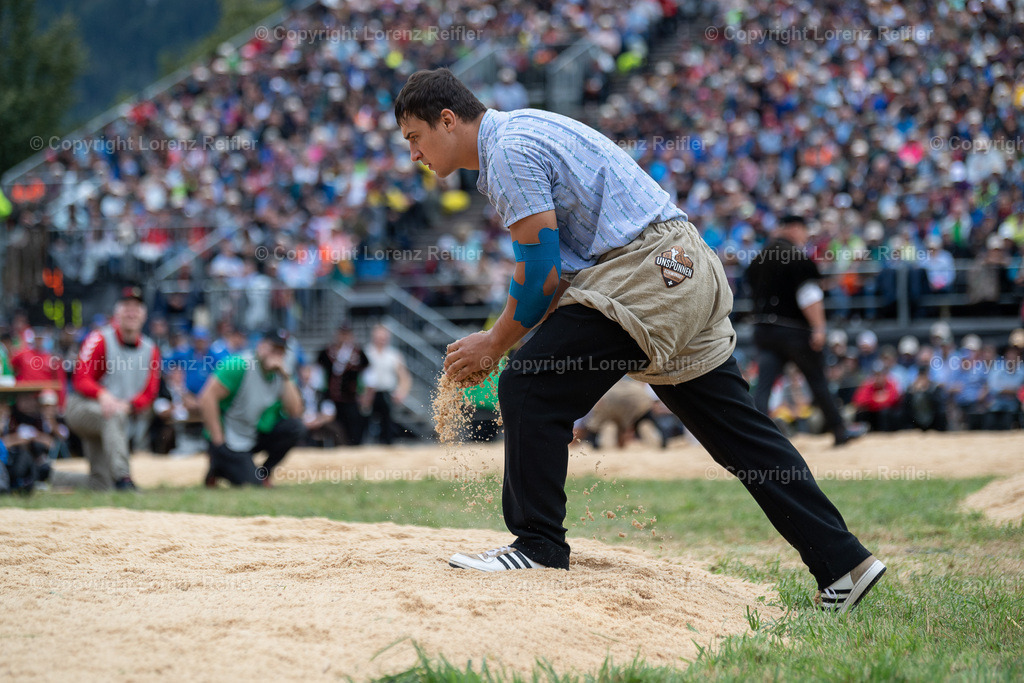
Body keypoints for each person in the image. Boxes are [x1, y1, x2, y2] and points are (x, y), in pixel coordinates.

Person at [395, 68, 884, 613]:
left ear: (447, 119)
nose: (414, 153)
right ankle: (844, 563)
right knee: (739, 435)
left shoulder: (506, 150)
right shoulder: (523, 131)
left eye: (415, 137)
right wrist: (525, 352)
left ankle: (537, 546)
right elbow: (557, 276)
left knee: (529, 385)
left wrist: (494, 344)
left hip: (648, 273)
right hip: (683, 266)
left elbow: (540, 274)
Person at [745, 214, 864, 447]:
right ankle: (839, 430)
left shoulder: (757, 260)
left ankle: (754, 437)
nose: (805, 235)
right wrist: (819, 328)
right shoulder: (798, 258)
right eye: (803, 229)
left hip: (764, 331)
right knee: (817, 380)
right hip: (794, 332)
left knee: (764, 386)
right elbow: (809, 296)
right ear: (794, 228)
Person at [58, 286, 161, 491]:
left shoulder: (151, 349)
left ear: (144, 315)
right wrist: (103, 395)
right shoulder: (100, 338)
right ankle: (124, 478)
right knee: (113, 415)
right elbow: (81, 379)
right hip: (83, 407)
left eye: (136, 308)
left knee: (101, 484)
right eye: (127, 307)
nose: (131, 313)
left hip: (115, 416)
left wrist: (128, 406)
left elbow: (150, 392)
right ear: (117, 313)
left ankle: (49, 475)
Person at [199, 329, 304, 487]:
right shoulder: (240, 364)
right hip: (228, 436)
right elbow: (207, 398)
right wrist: (218, 441)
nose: (276, 355)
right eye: (273, 348)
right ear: (261, 346)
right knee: (251, 484)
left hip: (252, 433)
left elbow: (295, 411)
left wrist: (286, 377)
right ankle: (219, 465)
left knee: (295, 428)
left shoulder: (282, 373)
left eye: (281, 351)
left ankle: (263, 473)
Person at [316, 324, 368, 445]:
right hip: (331, 398)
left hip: (351, 398)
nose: (344, 337)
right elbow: (318, 375)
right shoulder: (326, 352)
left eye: (347, 334)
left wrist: (364, 394)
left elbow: (367, 376)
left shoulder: (359, 354)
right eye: (342, 334)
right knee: (334, 427)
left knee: (354, 426)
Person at [360, 325, 411, 445]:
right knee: (364, 422)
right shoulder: (366, 352)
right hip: (368, 393)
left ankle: (387, 445)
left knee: (387, 423)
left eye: (384, 337)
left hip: (386, 392)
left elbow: (404, 376)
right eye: (379, 337)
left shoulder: (394, 355)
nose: (381, 340)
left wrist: (401, 391)